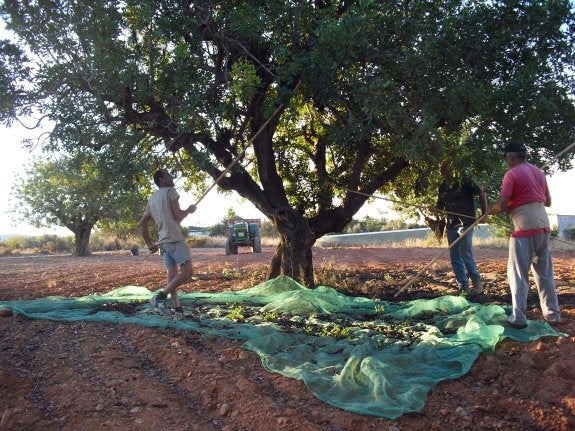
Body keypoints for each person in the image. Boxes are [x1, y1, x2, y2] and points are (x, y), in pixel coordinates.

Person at [479, 141, 561, 328]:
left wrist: (488, 212)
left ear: (511, 157)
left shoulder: (512, 174)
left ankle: (518, 318)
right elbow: (547, 201)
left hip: (524, 230)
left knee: (518, 275)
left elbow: (501, 205)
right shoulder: (539, 173)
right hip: (543, 227)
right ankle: (553, 315)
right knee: (545, 274)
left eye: (506, 159)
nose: (507, 162)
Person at [139, 169, 196, 320]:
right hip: (174, 239)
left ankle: (178, 310)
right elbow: (178, 215)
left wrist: (149, 243)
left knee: (172, 277)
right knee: (187, 272)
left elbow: (142, 224)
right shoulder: (171, 191)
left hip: (163, 242)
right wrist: (189, 211)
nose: (172, 177)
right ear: (161, 180)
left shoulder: (152, 200)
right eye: (169, 175)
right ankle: (160, 298)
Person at [430, 162, 488, 295]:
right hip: (451, 225)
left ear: (452, 169)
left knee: (465, 252)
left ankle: (477, 283)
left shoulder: (464, 181)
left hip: (466, 223)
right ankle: (463, 286)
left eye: (446, 169)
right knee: (455, 256)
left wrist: (484, 214)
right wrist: (434, 209)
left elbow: (481, 193)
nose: (444, 172)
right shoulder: (443, 187)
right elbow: (440, 207)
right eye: (442, 169)